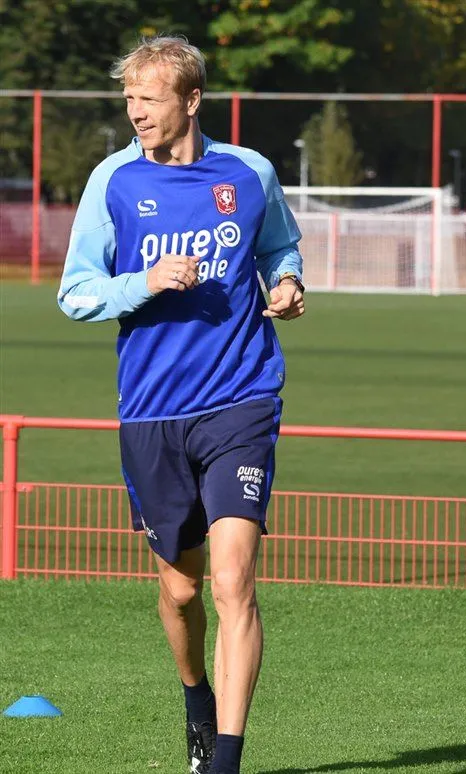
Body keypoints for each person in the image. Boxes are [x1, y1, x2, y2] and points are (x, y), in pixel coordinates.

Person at [57, 36, 305, 774]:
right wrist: (143, 282)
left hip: (241, 398)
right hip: (152, 413)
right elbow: (75, 293)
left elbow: (278, 248)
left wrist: (288, 283)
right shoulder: (113, 182)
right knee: (180, 589)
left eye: (150, 99)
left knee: (234, 581)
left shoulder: (250, 172)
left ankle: (225, 759)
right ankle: (195, 699)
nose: (136, 112)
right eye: (129, 99)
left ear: (191, 100)